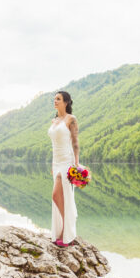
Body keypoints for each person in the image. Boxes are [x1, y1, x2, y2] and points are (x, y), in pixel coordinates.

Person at [48, 91, 80, 247]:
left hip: (67, 161)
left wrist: (76, 163)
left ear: (66, 102)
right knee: (59, 197)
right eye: (54, 99)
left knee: (57, 196)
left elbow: (75, 142)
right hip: (56, 162)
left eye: (58, 99)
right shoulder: (54, 120)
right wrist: (52, 165)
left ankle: (66, 233)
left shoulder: (71, 119)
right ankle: (63, 231)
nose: (55, 101)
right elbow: (54, 145)